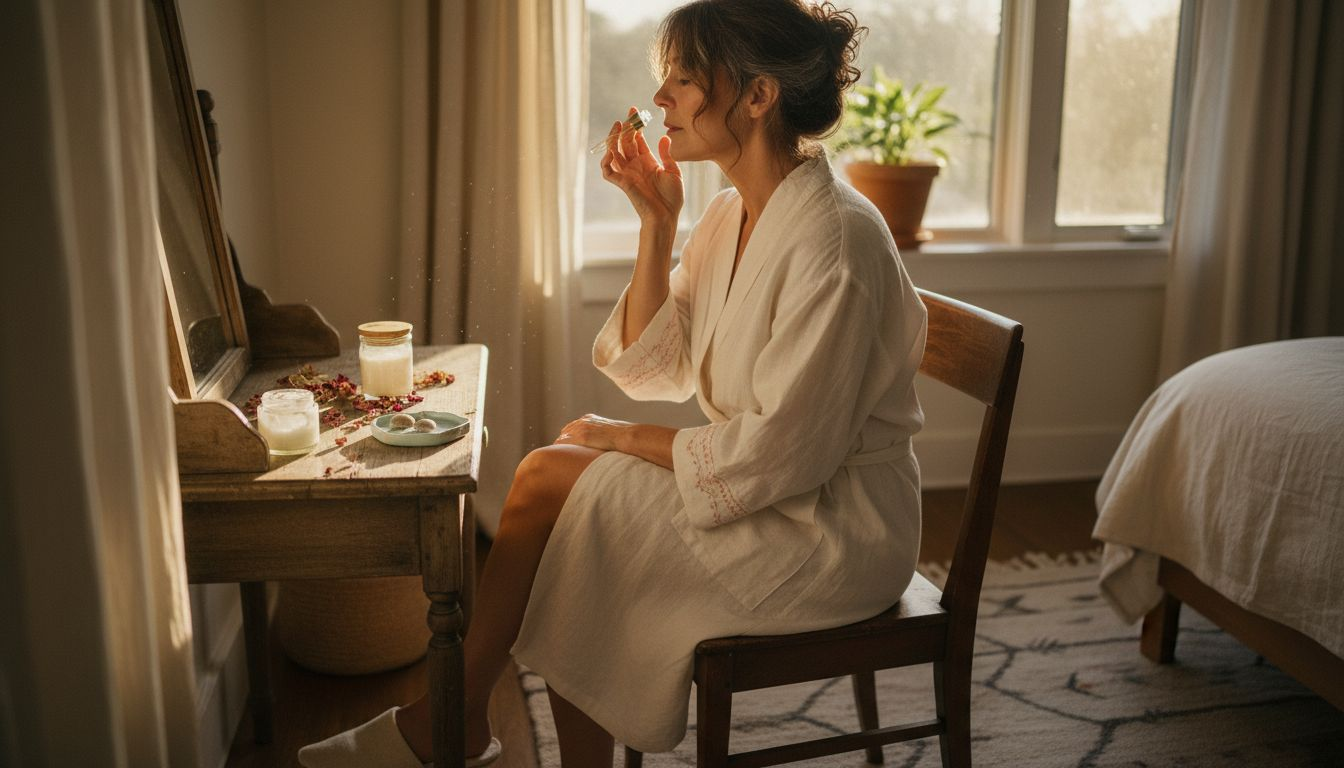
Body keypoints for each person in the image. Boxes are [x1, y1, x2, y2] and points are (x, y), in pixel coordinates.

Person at [298, 1, 926, 766]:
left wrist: (618, 437)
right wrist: (656, 225)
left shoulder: (837, 241)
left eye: (684, 79)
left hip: (834, 531)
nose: (661, 99)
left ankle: (449, 717)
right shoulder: (731, 215)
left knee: (560, 487)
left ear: (758, 96)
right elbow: (656, 366)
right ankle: (454, 717)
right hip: (772, 494)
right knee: (571, 518)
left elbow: (782, 457)